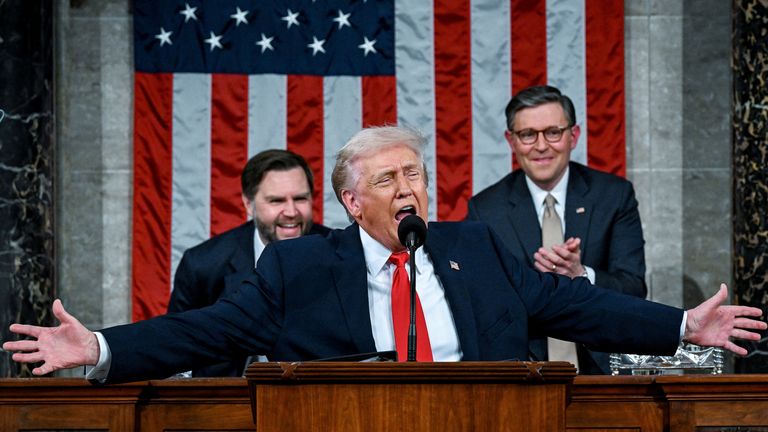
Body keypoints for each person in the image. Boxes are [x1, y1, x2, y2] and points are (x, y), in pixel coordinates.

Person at [3, 126, 765, 385]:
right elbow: (203, 331)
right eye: (388, 178)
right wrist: (100, 346)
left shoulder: (477, 246)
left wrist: (678, 327)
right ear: (350, 201)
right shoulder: (301, 268)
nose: (409, 188)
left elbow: (576, 306)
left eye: (416, 174)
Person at [467, 85, 644, 374]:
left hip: (602, 368)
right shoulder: (485, 209)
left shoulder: (613, 196)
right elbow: (480, 303)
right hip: (522, 371)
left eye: (553, 132)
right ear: (511, 141)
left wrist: (581, 275)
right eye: (528, 135)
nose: (540, 146)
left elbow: (634, 288)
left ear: (573, 136)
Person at [167, 149, 330, 377]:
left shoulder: (339, 254)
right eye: (277, 200)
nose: (291, 211)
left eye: (301, 198)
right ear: (248, 204)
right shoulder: (203, 264)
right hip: (226, 399)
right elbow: (176, 345)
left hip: (316, 397)